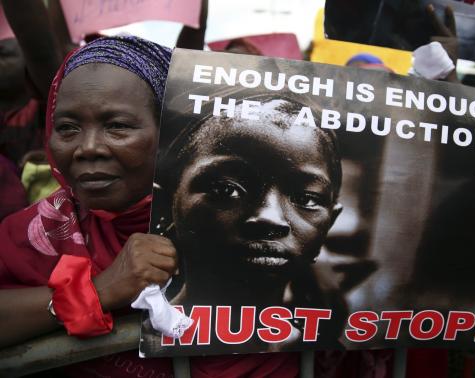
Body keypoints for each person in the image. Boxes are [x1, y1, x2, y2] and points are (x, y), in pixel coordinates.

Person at [0, 35, 299, 378]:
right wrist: (97, 292)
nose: (88, 147)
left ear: (171, 133)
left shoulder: (244, 227)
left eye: (117, 126)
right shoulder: (37, 233)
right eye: (67, 128)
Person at [145, 95, 344, 353]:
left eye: (306, 198)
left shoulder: (325, 359)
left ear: (329, 224)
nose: (269, 217)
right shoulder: (137, 342)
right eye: (226, 190)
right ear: (165, 205)